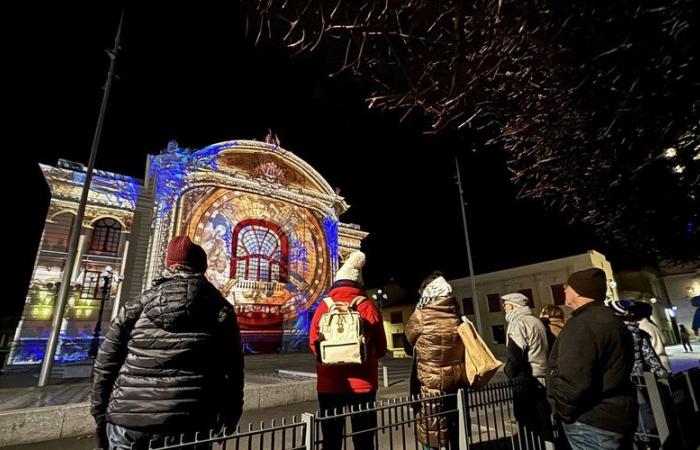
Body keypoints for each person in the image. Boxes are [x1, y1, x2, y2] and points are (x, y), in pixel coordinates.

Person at [90, 236, 244, 450]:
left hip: (130, 421)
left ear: (168, 264)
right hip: (193, 421)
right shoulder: (221, 309)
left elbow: (105, 365)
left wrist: (99, 414)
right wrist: (230, 415)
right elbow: (233, 369)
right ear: (202, 268)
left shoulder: (136, 306)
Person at [547, 268, 637, 450]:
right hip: (614, 415)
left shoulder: (582, 324)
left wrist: (563, 410)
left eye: (568, 286)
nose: (564, 290)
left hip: (591, 420)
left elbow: (575, 378)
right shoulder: (610, 319)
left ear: (579, 290)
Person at [309, 251, 387, 450]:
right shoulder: (368, 306)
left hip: (329, 384)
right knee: (364, 439)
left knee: (331, 440)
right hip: (363, 385)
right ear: (359, 282)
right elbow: (381, 348)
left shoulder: (323, 307)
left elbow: (313, 344)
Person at [405, 272, 468, 450]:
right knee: (455, 424)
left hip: (431, 383)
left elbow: (408, 343)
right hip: (457, 379)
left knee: (432, 427)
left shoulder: (421, 315)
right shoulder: (457, 313)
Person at [608, 299, 667, 450]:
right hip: (641, 376)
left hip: (622, 378)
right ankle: (648, 437)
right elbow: (649, 355)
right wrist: (662, 374)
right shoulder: (638, 331)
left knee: (634, 410)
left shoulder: (613, 333)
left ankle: (641, 438)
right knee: (644, 407)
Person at [501, 292, 552, 447]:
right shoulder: (536, 321)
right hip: (542, 377)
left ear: (513, 306)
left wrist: (509, 371)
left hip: (527, 380)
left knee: (528, 425)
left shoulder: (518, 324)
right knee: (543, 422)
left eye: (506, 305)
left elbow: (515, 355)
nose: (504, 308)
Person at [633, 302, 671, 372]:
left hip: (655, 365)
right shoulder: (652, 325)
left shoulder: (641, 327)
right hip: (663, 361)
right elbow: (664, 341)